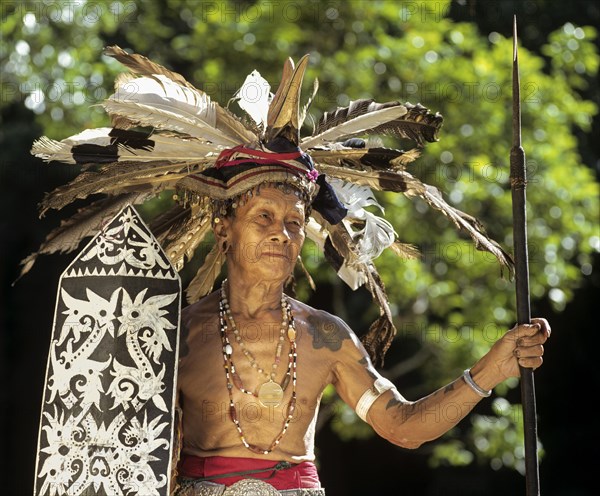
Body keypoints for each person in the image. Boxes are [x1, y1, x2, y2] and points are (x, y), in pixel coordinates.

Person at [172, 143, 550, 496]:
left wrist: (491, 370)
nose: (281, 234)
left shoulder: (325, 336)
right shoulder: (177, 335)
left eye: (294, 222)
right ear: (224, 230)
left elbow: (403, 428)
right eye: (264, 217)